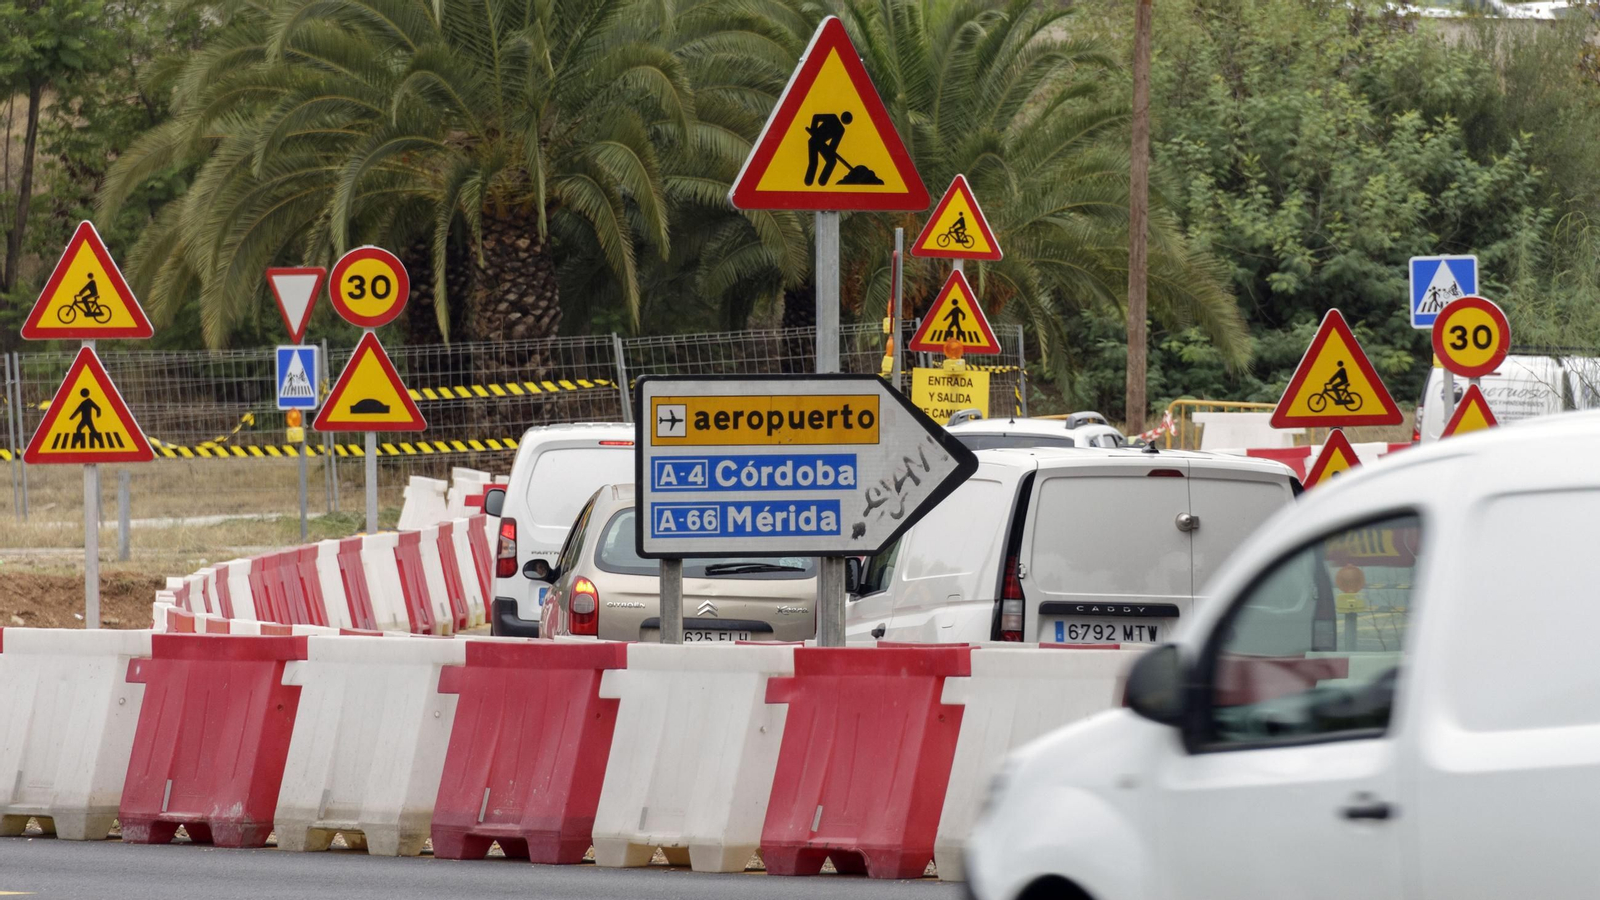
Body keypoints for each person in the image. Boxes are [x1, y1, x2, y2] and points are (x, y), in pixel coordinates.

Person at [805, 111, 851, 186]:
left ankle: (822, 182)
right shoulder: (833, 117)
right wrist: (814, 130)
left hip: (821, 144)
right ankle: (808, 182)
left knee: (832, 161)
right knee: (814, 163)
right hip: (813, 141)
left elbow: (833, 146)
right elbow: (816, 117)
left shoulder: (841, 130)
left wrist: (830, 151)